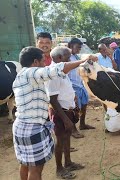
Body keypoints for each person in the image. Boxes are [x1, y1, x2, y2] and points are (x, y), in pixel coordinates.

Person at [12, 46, 95, 180]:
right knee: (36, 168)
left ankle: (67, 163)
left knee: (25, 164)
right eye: (43, 60)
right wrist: (83, 61)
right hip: (32, 128)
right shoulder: (31, 73)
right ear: (35, 62)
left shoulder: (22, 76)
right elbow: (57, 70)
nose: (45, 63)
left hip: (24, 126)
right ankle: (60, 167)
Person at [45, 47, 90, 179]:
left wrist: (74, 101)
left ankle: (68, 162)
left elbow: (65, 90)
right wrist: (65, 119)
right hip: (60, 113)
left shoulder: (62, 72)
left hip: (67, 110)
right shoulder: (53, 73)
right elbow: (52, 99)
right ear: (59, 58)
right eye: (67, 57)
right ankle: (59, 169)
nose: (70, 59)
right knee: (60, 140)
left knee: (67, 136)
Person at [68, 38, 95, 139]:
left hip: (80, 84)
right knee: (74, 109)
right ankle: (73, 129)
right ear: (71, 46)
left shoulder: (76, 56)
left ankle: (82, 124)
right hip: (72, 86)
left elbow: (83, 65)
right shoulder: (67, 58)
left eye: (80, 48)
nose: (79, 49)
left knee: (84, 104)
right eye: (77, 47)